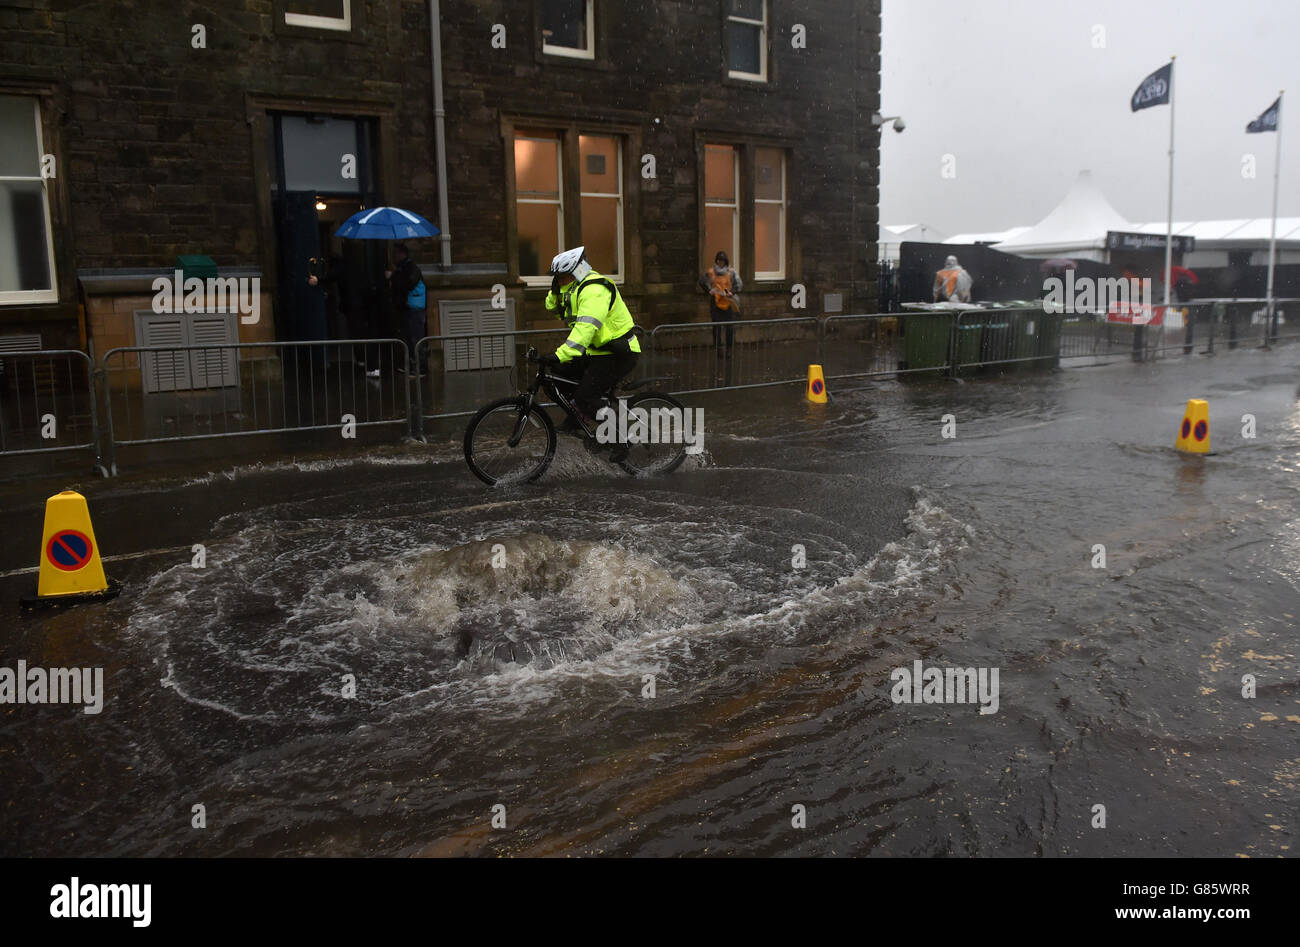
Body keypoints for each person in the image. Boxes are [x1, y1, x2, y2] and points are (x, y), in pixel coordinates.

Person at [538, 246, 641, 460]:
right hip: (598, 351)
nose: (560, 281)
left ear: (576, 273)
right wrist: (555, 289)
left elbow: (585, 329)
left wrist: (560, 353)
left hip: (618, 352)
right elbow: (553, 307)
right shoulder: (575, 288)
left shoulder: (594, 290)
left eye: (562, 277)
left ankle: (619, 440)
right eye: (557, 278)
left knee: (587, 396)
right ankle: (577, 419)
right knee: (557, 376)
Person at [386, 243, 426, 374]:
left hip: (414, 308)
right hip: (406, 308)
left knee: (416, 338)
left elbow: (408, 283)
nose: (394, 256)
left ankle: (421, 368)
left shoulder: (411, 268)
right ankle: (411, 365)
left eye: (396, 253)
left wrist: (392, 277)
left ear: (402, 253)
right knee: (408, 338)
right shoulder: (401, 268)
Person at [699, 250, 742, 355]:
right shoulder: (711, 272)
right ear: (716, 261)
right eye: (719, 261)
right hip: (715, 302)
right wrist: (709, 290)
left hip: (728, 302)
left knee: (729, 328)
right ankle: (719, 349)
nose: (721, 263)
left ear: (726, 261)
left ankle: (729, 349)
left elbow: (739, 285)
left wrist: (732, 293)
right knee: (716, 327)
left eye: (722, 261)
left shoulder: (731, 272)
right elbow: (702, 281)